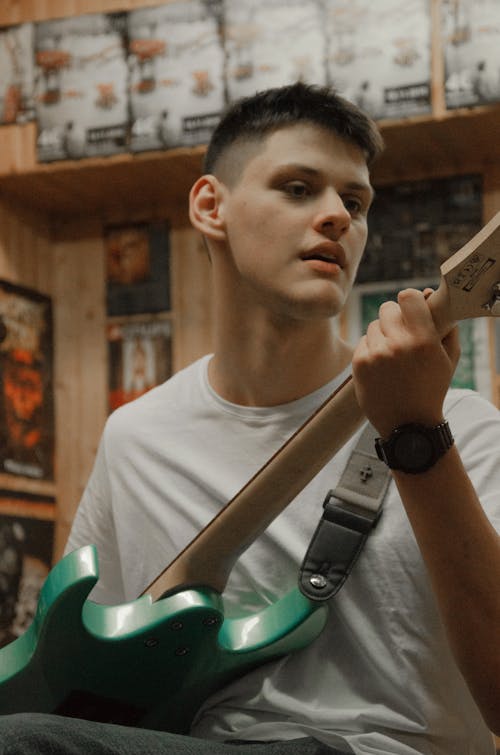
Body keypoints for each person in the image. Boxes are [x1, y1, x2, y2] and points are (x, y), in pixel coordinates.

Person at [1, 82, 499, 754]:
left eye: (355, 202)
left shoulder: (461, 425)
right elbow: (89, 669)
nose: (338, 218)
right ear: (211, 206)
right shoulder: (138, 437)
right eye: (299, 188)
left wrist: (417, 436)